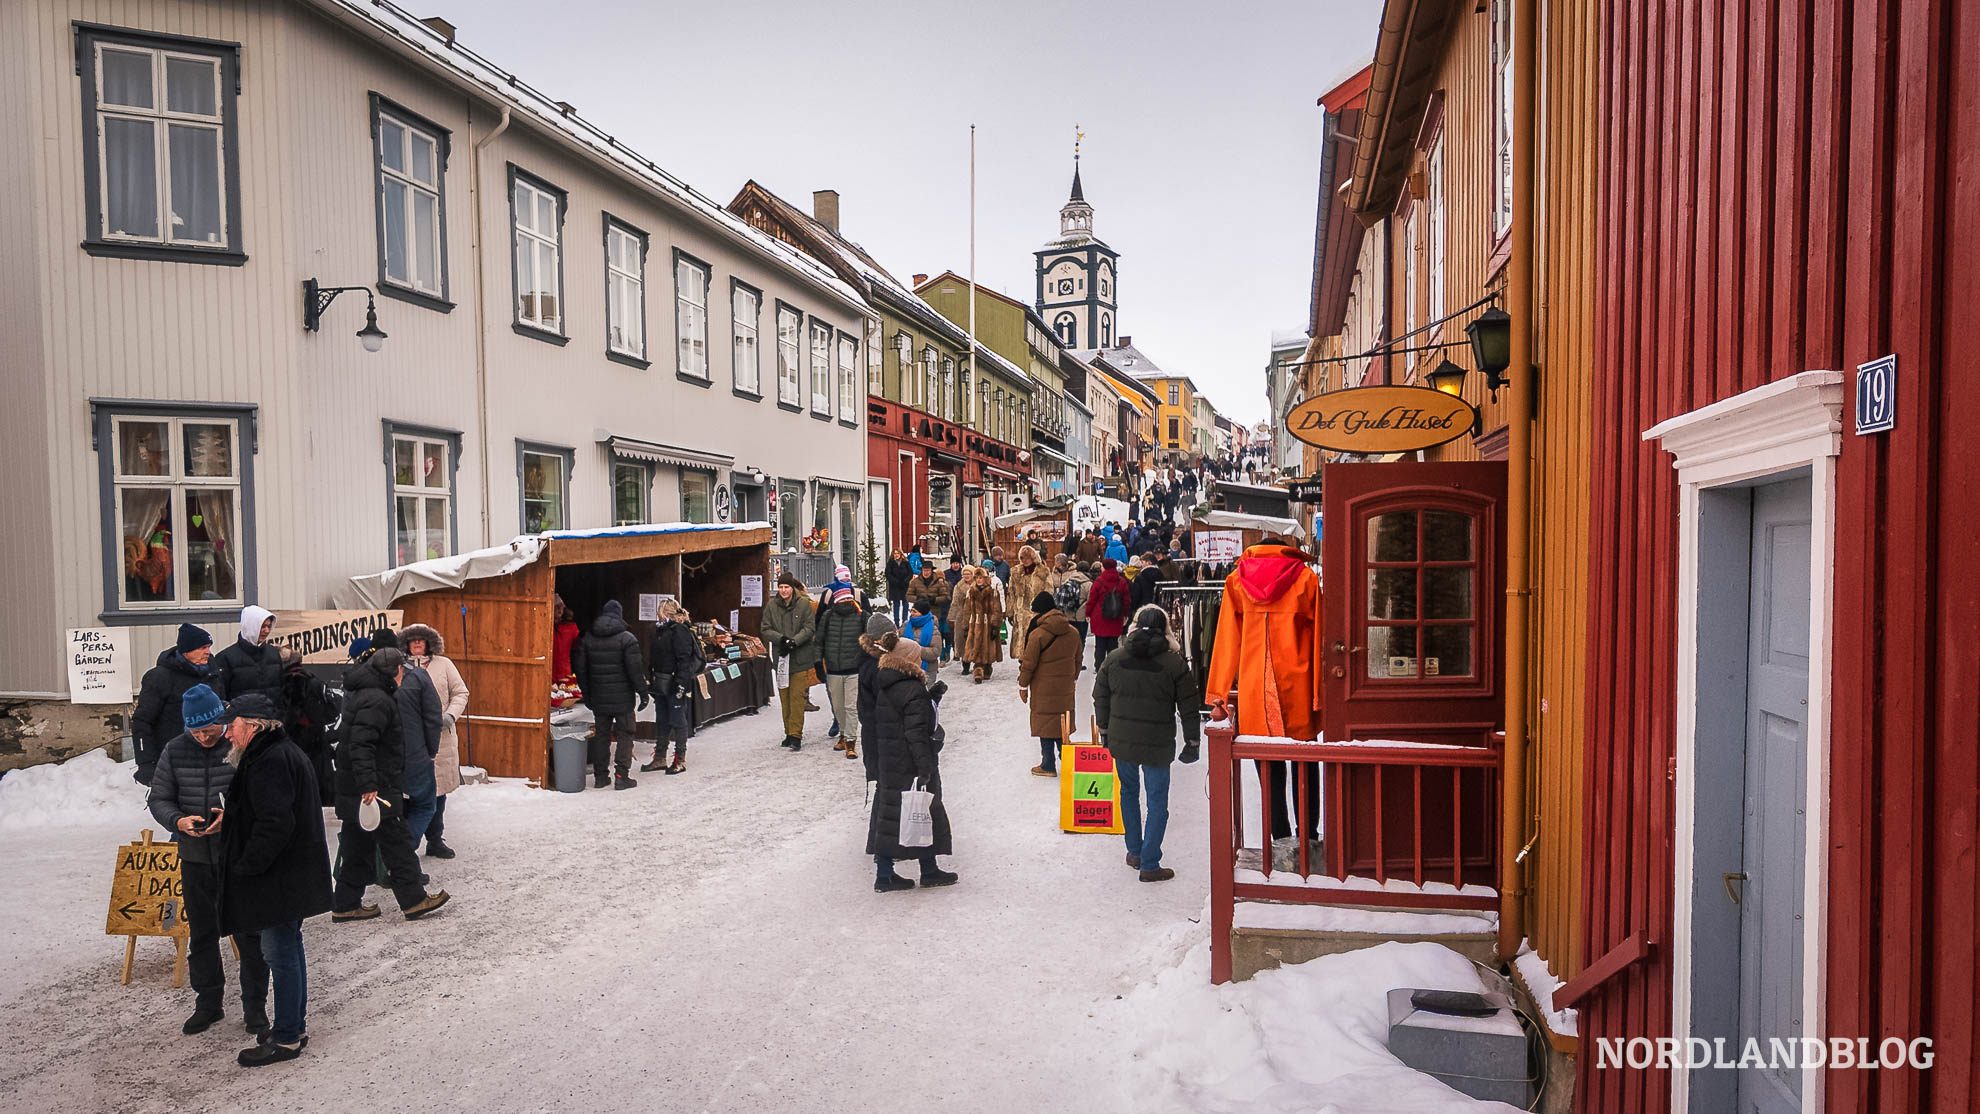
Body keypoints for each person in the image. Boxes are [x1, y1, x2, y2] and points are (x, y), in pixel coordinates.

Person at [212, 693, 335, 1066]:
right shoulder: (277, 753)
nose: (227, 735)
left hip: (277, 877)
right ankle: (292, 1027)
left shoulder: (269, 760)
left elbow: (275, 823)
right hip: (288, 875)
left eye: (231, 726)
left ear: (252, 725)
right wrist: (232, 818)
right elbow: (268, 812)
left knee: (279, 954)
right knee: (287, 951)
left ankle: (285, 1039)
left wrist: (247, 864)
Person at [147, 683, 269, 1038]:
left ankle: (255, 1008)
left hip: (236, 857)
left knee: (249, 934)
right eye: (196, 731)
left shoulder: (238, 743)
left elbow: (258, 796)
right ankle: (208, 1003)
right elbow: (159, 798)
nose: (203, 737)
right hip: (195, 856)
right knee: (202, 934)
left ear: (222, 721)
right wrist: (178, 821)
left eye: (210, 729)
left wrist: (228, 818)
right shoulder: (175, 749)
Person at [331, 648, 447, 922]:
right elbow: (362, 745)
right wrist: (369, 785)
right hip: (376, 788)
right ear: (395, 671)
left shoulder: (365, 692)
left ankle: (346, 903)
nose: (404, 674)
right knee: (397, 844)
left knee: (357, 846)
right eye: (402, 669)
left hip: (359, 787)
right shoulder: (377, 700)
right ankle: (414, 900)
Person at [1093, 605, 1201, 883]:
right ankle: (1150, 863)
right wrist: (1192, 741)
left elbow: (1100, 696)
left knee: (1128, 793)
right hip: (1157, 744)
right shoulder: (1174, 663)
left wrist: (1104, 729)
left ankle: (1134, 852)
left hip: (1122, 740)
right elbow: (1189, 707)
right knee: (1157, 803)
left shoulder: (1114, 659)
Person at [863, 637, 958, 892]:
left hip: (890, 761)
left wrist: (931, 700)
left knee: (891, 817)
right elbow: (916, 732)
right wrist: (924, 767)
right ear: (909, 659)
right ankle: (929, 870)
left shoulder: (887, 684)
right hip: (909, 763)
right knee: (924, 813)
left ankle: (885, 875)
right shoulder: (912, 689)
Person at [368, 628, 442, 842]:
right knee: (425, 804)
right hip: (413, 752)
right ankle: (403, 851)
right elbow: (432, 716)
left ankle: (389, 853)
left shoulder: (363, 676)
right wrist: (430, 749)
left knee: (386, 807)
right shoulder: (417, 675)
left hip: (377, 756)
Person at [400, 624, 468, 854]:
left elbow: (461, 692)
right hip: (412, 739)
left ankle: (435, 839)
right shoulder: (400, 668)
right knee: (411, 792)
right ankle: (408, 844)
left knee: (438, 791)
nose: (418, 643)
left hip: (442, 738)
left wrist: (450, 715)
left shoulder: (444, 664)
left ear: (429, 643)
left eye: (422, 640)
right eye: (413, 640)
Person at [572, 600, 650, 788]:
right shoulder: (627, 639)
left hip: (599, 696)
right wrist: (643, 692)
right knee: (625, 734)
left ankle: (600, 777)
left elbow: (581, 670)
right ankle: (621, 776)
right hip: (623, 697)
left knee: (602, 736)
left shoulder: (588, 639)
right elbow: (635, 670)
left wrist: (587, 694)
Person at [132, 623, 216, 785]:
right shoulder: (160, 677)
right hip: (173, 757)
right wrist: (146, 763)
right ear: (186, 650)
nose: (208, 652)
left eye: (209, 647)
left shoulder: (212, 672)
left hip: (210, 756)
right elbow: (142, 721)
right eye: (203, 647)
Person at [1018, 592, 1082, 777]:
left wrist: (1023, 685)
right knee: (1062, 721)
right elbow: (1078, 659)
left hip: (1043, 686)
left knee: (1045, 722)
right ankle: (1068, 761)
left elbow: (1028, 664)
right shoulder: (1074, 632)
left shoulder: (1037, 635)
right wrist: (1073, 677)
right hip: (1065, 686)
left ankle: (1048, 764)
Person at [274, 646, 340, 808]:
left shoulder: (284, 683)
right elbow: (332, 711)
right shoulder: (315, 680)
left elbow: (290, 716)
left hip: (294, 743)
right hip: (317, 744)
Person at [641, 600, 701, 775]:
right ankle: (660, 756)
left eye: (659, 612)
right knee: (662, 719)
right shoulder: (661, 631)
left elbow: (684, 659)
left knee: (678, 720)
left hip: (674, 682)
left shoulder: (679, 631)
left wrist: (681, 684)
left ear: (665, 613)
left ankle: (679, 758)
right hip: (661, 682)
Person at [761, 573, 819, 750]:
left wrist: (795, 641)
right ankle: (788, 732)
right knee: (784, 697)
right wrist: (781, 639)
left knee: (796, 698)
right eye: (781, 587)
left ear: (792, 588)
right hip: (782, 659)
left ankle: (796, 735)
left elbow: (809, 628)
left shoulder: (803, 604)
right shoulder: (772, 606)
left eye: (786, 587)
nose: (784, 590)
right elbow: (765, 628)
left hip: (800, 659)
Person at [816, 586, 868, 762]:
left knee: (851, 706)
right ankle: (844, 734)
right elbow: (819, 641)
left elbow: (869, 642)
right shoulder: (828, 616)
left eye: (848, 599)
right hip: (833, 669)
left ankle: (851, 742)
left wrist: (866, 663)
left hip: (854, 669)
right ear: (837, 601)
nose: (846, 602)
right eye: (843, 599)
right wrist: (818, 663)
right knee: (838, 706)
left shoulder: (861, 617)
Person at [212, 605, 283, 705]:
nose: (266, 631)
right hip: (241, 718)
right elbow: (221, 697)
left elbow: (281, 692)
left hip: (272, 717)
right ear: (250, 626)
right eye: (262, 626)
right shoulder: (225, 658)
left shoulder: (274, 654)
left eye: (269, 626)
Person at [956, 566, 1006, 682]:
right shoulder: (971, 592)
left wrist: (995, 626)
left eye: (981, 577)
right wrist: (965, 626)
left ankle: (987, 667)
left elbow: (996, 609)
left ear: (985, 578)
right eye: (977, 577)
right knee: (975, 645)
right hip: (975, 623)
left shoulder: (993, 592)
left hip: (988, 624)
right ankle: (978, 670)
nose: (979, 580)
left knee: (988, 646)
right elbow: (967, 610)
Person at [1004, 546, 1053, 661]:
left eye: (1028, 558)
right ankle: (1023, 664)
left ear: (1033, 558)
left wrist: (1045, 610)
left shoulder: (1043, 572)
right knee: (1021, 640)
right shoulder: (1016, 572)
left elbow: (1049, 591)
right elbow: (1011, 593)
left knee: (1035, 640)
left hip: (1037, 612)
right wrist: (1010, 612)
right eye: (1022, 558)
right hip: (1020, 611)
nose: (1025, 560)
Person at [1088, 558, 1133, 669]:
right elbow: (1126, 600)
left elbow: (1092, 599)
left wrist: (1088, 613)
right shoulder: (1121, 581)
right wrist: (1125, 614)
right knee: (1113, 644)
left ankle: (1099, 667)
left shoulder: (1099, 581)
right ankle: (1112, 667)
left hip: (1100, 617)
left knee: (1100, 645)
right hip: (1116, 616)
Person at [906, 563, 952, 663]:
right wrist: (918, 599)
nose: (926, 572)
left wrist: (934, 600)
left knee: (935, 636)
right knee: (920, 636)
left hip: (935, 613)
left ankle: (941, 657)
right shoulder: (915, 582)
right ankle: (919, 658)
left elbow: (946, 597)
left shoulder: (939, 582)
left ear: (931, 570)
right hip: (919, 613)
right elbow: (908, 595)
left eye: (928, 570)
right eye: (924, 570)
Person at [904, 598, 943, 682]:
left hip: (928, 670)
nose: (911, 614)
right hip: (906, 668)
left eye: (914, 611)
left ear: (922, 613)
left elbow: (936, 652)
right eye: (911, 611)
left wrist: (916, 649)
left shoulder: (933, 630)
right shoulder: (905, 626)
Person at [1056, 560, 1093, 646]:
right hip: (1081, 617)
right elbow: (1090, 600)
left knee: (1069, 640)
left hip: (1068, 615)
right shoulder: (1088, 584)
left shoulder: (1068, 580)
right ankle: (1078, 658)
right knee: (1080, 641)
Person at [884, 549, 914, 626]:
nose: (896, 555)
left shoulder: (905, 562)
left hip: (904, 586)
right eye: (895, 553)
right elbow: (888, 574)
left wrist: (906, 581)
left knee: (905, 603)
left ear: (901, 554)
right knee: (896, 604)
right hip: (895, 587)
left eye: (898, 553)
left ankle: (905, 621)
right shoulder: (890, 563)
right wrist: (895, 582)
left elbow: (910, 573)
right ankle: (896, 622)